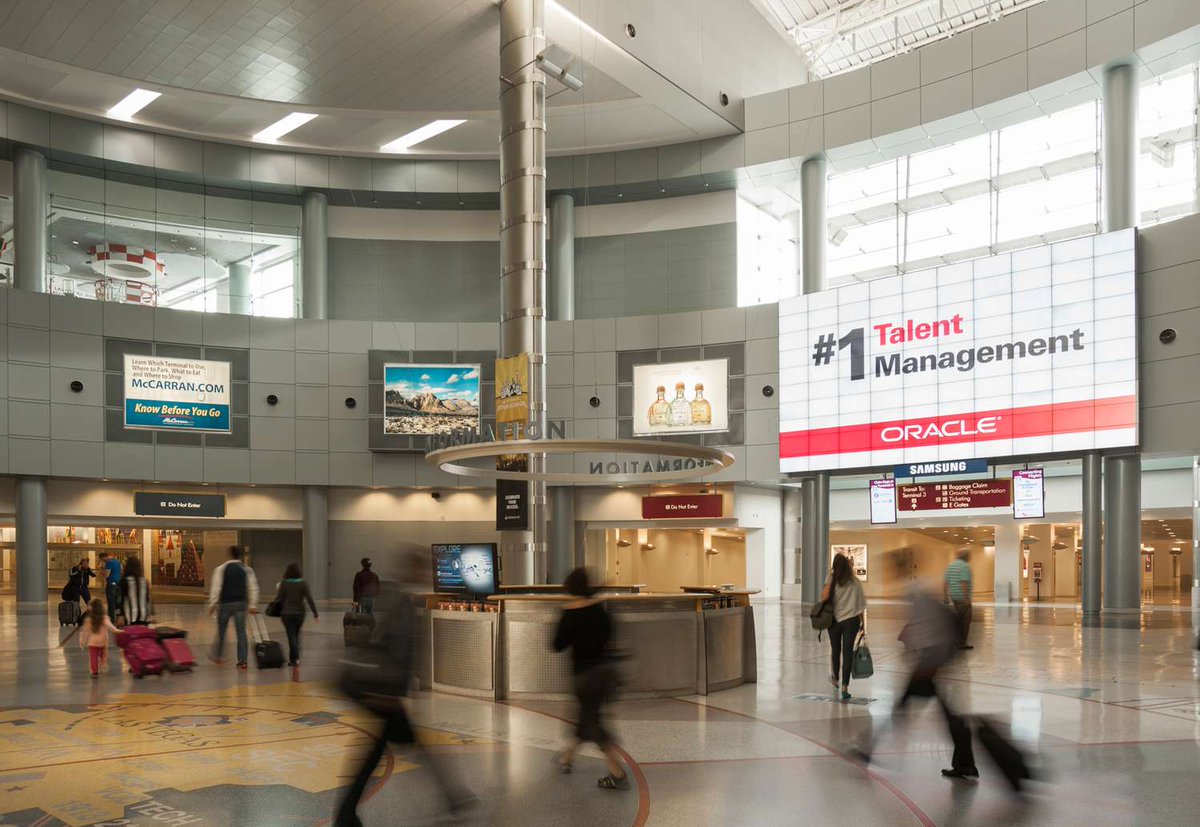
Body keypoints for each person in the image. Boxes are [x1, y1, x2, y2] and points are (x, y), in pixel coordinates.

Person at [336, 580, 474, 826]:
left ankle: (453, 796)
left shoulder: (399, 600)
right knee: (394, 751)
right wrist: (392, 692)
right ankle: (453, 797)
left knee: (378, 753)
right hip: (385, 693)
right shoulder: (404, 605)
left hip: (382, 690)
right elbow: (397, 649)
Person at [553, 567, 628, 791]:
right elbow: (608, 634)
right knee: (586, 717)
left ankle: (618, 774)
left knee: (593, 723)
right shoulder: (600, 610)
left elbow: (556, 645)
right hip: (605, 673)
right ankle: (567, 758)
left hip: (584, 676)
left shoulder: (569, 613)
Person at [822, 553, 867, 701]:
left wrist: (829, 580)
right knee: (847, 653)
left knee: (836, 650)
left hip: (834, 620)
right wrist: (863, 625)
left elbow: (824, 597)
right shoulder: (855, 581)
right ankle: (845, 687)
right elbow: (861, 605)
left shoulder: (831, 579)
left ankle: (835, 678)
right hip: (852, 621)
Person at [208, 546, 260, 670]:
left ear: (230, 554)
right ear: (240, 555)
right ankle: (242, 661)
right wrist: (252, 605)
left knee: (222, 631)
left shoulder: (221, 569)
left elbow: (217, 587)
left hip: (225, 604)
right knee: (241, 633)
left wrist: (212, 604)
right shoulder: (247, 570)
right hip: (241, 604)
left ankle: (218, 656)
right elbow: (252, 587)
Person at [273, 563, 319, 666]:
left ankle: (296, 658)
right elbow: (309, 599)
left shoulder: (284, 583)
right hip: (300, 614)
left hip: (287, 614)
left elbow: (279, 599)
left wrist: (274, 608)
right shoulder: (303, 583)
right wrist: (315, 614)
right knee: (296, 635)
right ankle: (293, 659)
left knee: (291, 636)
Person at [79, 598, 120, 678]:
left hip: (92, 643)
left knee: (93, 658)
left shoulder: (88, 620)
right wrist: (120, 631)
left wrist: (82, 641)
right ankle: (103, 665)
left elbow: (85, 632)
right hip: (103, 642)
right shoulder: (104, 618)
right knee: (103, 655)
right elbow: (111, 628)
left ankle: (94, 672)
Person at [944, 549, 973, 649]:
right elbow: (963, 582)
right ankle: (962, 642)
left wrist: (945, 597)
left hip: (954, 597)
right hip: (962, 598)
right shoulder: (965, 566)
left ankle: (955, 641)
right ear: (965, 556)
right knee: (966, 621)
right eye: (969, 555)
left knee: (958, 620)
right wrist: (966, 598)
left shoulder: (950, 566)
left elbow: (945, 582)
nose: (970, 557)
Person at [121, 557, 153, 626]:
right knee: (142, 635)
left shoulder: (124, 581)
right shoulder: (145, 581)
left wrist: (119, 614)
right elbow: (148, 599)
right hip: (144, 615)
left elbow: (120, 599)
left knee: (131, 635)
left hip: (129, 616)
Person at [100, 552, 123, 621]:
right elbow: (121, 571)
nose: (102, 561)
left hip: (111, 584)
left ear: (104, 557)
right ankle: (119, 617)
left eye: (102, 559)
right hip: (118, 583)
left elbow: (107, 574)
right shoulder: (117, 561)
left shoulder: (109, 562)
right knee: (118, 601)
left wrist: (101, 570)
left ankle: (112, 618)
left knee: (111, 601)